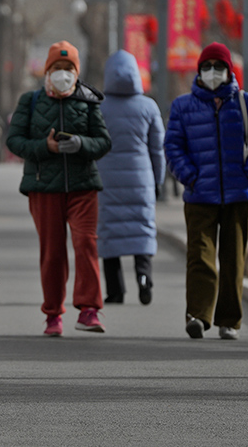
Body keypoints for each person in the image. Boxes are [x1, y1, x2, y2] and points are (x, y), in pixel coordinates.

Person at [164, 42, 248, 341]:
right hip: (200, 195)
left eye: (219, 67)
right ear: (199, 71)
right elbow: (173, 146)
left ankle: (230, 321)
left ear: (229, 71)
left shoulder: (245, 103)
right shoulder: (182, 106)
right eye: (207, 67)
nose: (213, 72)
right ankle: (198, 315)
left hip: (239, 195)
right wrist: (189, 176)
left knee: (233, 259)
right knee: (200, 256)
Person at [6, 40, 112, 337]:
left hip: (83, 187)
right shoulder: (31, 101)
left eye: (69, 69)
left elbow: (103, 142)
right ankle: (53, 314)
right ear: (47, 71)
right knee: (52, 252)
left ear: (77, 73)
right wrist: (46, 146)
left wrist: (81, 144)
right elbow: (15, 141)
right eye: (57, 68)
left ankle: (90, 310)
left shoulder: (89, 101)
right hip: (44, 188)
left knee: (86, 244)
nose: (63, 74)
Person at [96, 50, 166, 305]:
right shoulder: (149, 106)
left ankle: (115, 290)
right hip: (142, 178)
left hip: (107, 180)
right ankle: (144, 278)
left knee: (108, 232)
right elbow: (158, 149)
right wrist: (158, 181)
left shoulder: (100, 107)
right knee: (142, 230)